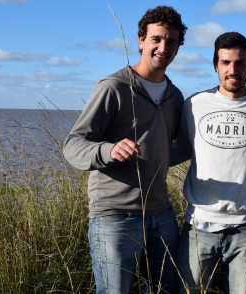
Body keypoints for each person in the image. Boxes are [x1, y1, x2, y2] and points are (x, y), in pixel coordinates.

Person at [63, 6, 186, 294]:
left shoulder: (175, 96)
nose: (163, 48)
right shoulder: (114, 87)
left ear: (178, 48)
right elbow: (73, 145)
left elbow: (175, 148)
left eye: (171, 42)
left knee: (166, 290)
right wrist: (108, 150)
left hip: (162, 214)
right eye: (156, 39)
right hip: (114, 216)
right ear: (141, 40)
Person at [169, 32, 246, 294]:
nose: (233, 70)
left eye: (240, 63)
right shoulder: (195, 104)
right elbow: (181, 149)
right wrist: (139, 162)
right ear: (215, 66)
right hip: (199, 224)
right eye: (226, 63)